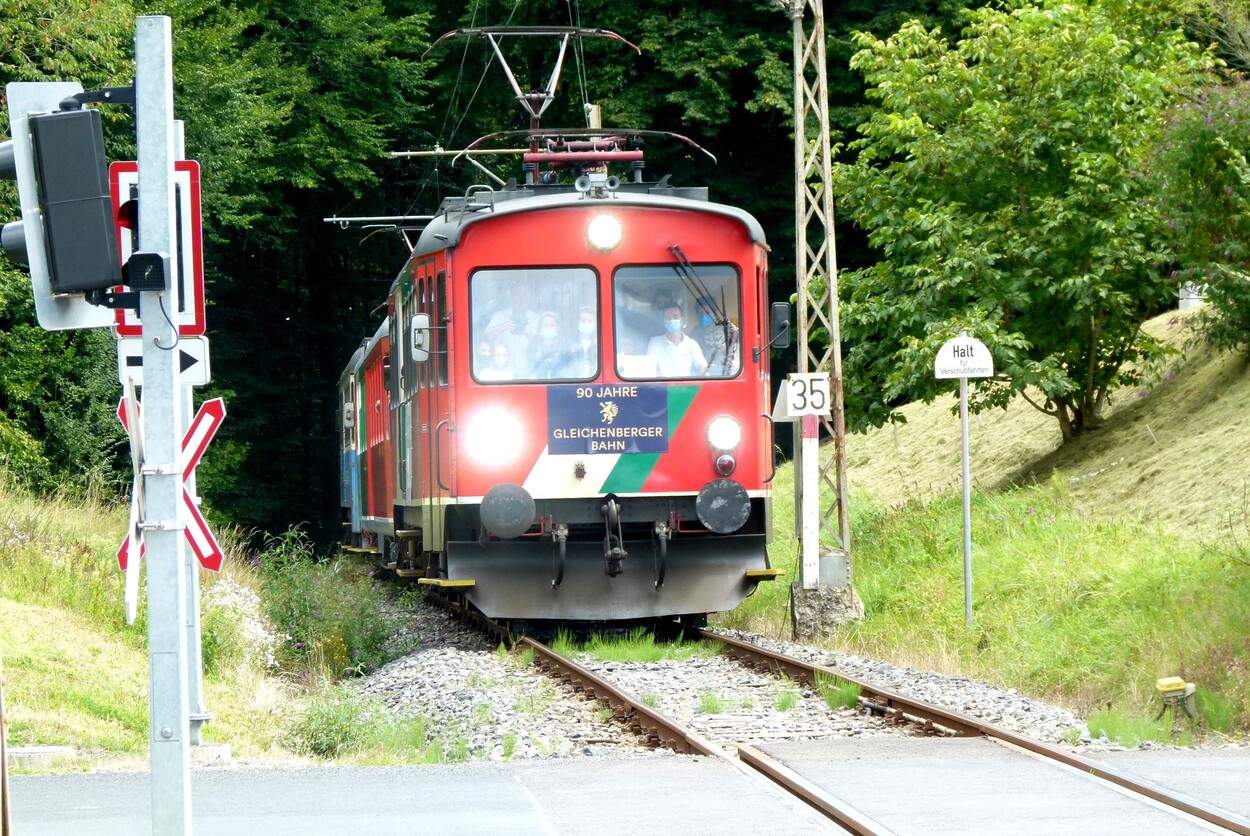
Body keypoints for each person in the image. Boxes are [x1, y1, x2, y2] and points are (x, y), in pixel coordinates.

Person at [484, 282, 538, 376]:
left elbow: (543, 347)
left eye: (524, 294)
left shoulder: (536, 319)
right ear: (511, 297)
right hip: (502, 373)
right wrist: (503, 327)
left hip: (529, 372)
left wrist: (531, 335)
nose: (521, 298)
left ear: (529, 297)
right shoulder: (499, 316)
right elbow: (485, 335)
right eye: (517, 294)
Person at [646, 305, 708, 377]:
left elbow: (703, 368)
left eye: (675, 317)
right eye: (668, 318)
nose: (671, 320)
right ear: (664, 321)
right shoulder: (655, 343)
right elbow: (649, 368)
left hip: (685, 387)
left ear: (682, 320)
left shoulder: (692, 344)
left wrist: (706, 371)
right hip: (661, 387)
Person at [691, 296, 739, 375]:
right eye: (700, 313)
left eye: (707, 313)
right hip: (707, 374)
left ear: (714, 313)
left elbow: (746, 341)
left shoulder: (727, 328)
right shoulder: (695, 332)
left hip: (729, 374)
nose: (703, 316)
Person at [527, 311, 573, 379]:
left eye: (552, 325)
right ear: (540, 327)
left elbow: (568, 364)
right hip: (538, 381)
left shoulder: (564, 343)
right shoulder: (534, 342)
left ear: (558, 327)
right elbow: (530, 364)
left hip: (559, 381)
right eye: (545, 325)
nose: (549, 328)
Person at [572, 306, 597, 378]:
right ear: (578, 322)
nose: (586, 324)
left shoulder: (599, 344)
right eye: (583, 321)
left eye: (590, 321)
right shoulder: (570, 343)